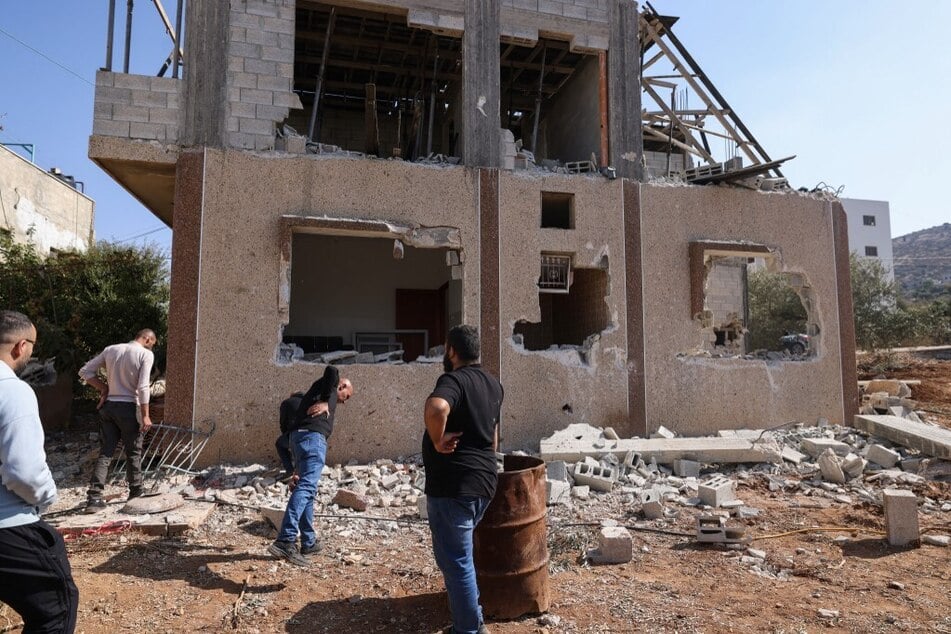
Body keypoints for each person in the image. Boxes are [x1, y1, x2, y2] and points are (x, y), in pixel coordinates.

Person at [0, 310, 79, 632]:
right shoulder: (13, 391)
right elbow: (24, 472)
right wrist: (46, 497)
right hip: (8, 528)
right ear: (21, 346)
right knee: (56, 608)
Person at [423, 325, 503, 634]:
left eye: (446, 349)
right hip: (484, 481)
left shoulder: (453, 380)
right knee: (458, 558)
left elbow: (436, 407)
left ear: (452, 351)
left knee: (457, 561)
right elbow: (494, 437)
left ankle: (469, 629)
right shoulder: (493, 384)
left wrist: (437, 440)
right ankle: (472, 618)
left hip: (454, 485)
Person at [269, 366, 353, 567]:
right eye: (346, 395)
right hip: (313, 439)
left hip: (300, 439)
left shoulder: (310, 398)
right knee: (307, 488)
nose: (345, 400)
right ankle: (285, 540)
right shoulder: (330, 387)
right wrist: (326, 399)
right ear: (341, 385)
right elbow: (332, 369)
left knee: (305, 489)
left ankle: (308, 541)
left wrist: (296, 467)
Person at [78, 329, 157, 512]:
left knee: (106, 452)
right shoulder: (145, 354)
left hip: (109, 407)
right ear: (147, 339)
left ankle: (94, 498)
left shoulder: (111, 349)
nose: (151, 346)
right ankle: (136, 493)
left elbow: (85, 371)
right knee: (133, 452)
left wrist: (104, 388)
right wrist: (145, 415)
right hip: (129, 407)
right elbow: (143, 386)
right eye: (151, 343)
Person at [276, 391, 305, 479]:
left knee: (280, 444)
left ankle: (290, 470)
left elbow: (283, 423)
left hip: (296, 433)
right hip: (313, 434)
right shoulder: (309, 401)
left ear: (291, 396)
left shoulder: (287, 402)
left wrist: (285, 434)